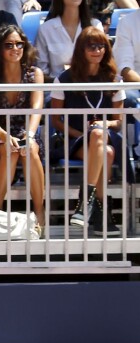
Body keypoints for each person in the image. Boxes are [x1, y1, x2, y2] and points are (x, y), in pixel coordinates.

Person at [51, 26, 125, 236]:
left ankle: (86, 204)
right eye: (91, 45)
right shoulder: (64, 79)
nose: (97, 50)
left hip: (104, 137)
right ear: (81, 50)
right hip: (75, 139)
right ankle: (101, 214)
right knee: (104, 151)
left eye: (101, 45)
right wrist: (82, 134)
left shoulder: (114, 79)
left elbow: (117, 122)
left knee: (103, 143)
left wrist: (102, 125)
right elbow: (56, 121)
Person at [0, 24, 46, 228]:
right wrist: (5, 136)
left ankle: (39, 213)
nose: (15, 48)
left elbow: (37, 107)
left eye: (19, 44)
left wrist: (30, 135)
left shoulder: (34, 74)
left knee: (29, 149)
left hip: (27, 132)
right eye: (9, 45)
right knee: (10, 151)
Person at [35, 0, 103, 84]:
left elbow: (104, 64)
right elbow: (41, 71)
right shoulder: (46, 29)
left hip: (89, 87)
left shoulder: (95, 26)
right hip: (56, 89)